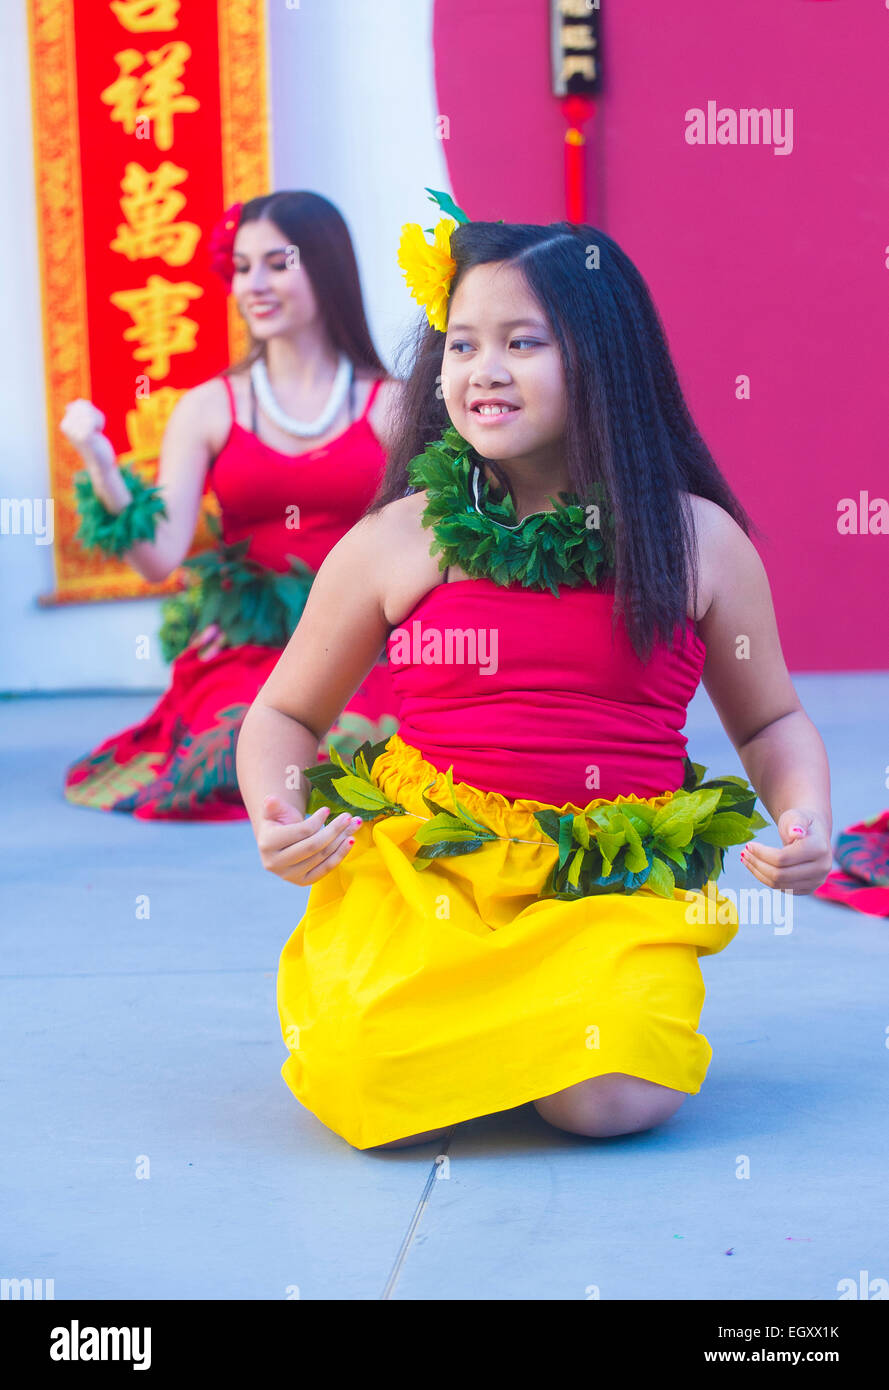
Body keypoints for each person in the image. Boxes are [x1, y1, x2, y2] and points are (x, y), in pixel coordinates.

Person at [235, 211, 834, 1150]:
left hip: (604, 887)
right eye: (462, 344)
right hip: (430, 871)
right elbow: (285, 710)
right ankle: (499, 1035)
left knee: (610, 1098)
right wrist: (276, 815)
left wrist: (801, 817)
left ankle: (551, 1028)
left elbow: (770, 724)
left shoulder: (693, 540)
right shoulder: (402, 537)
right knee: (361, 1077)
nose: (484, 370)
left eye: (522, 342)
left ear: (604, 360)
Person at [60, 191, 400, 820]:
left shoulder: (391, 404)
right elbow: (159, 559)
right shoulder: (209, 406)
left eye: (277, 263)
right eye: (242, 267)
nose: (254, 284)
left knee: (361, 751)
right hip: (248, 640)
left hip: (358, 638)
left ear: (326, 267)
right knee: (238, 747)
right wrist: (102, 465)